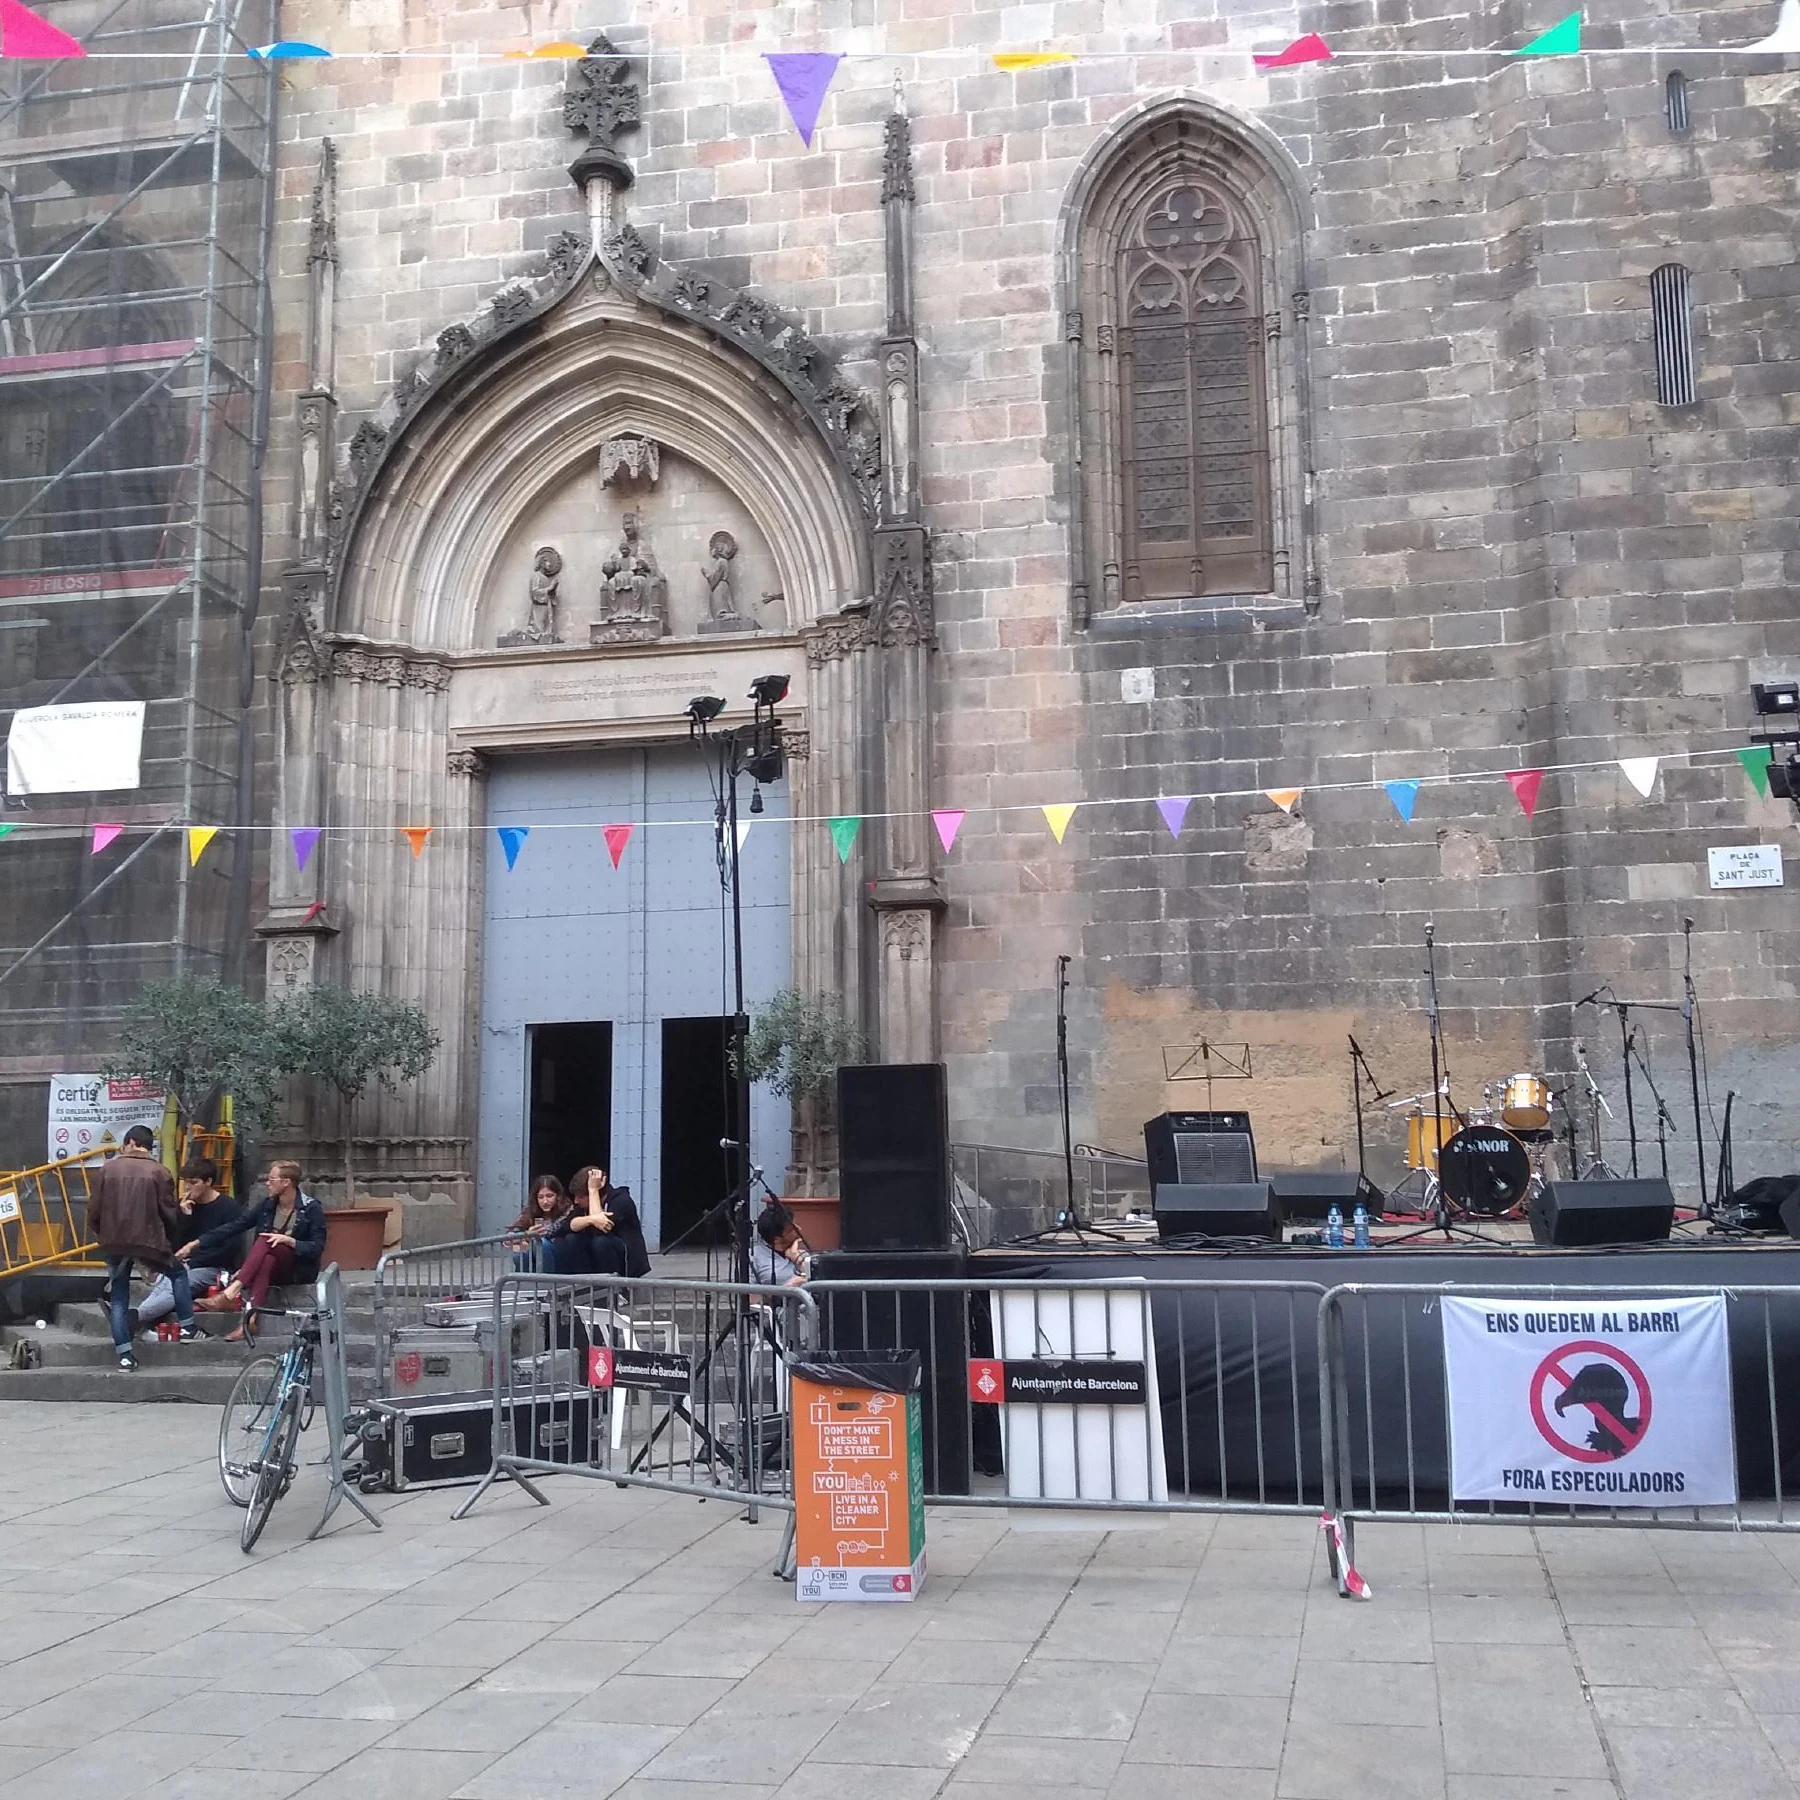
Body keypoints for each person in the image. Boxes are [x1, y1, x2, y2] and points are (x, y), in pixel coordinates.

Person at [86, 1125, 199, 1369]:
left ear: (130, 1142)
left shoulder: (107, 1169)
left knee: (119, 1296)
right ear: (148, 1146)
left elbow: (93, 1210)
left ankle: (125, 1356)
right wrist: (168, 1241)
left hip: (113, 1242)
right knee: (178, 1275)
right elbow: (168, 1213)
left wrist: (102, 1234)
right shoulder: (160, 1172)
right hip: (150, 1242)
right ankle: (188, 1327)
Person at [197, 1160, 326, 1342]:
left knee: (265, 1239)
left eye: (272, 1179)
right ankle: (249, 1321)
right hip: (270, 1265)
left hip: (297, 1269)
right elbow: (237, 1226)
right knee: (266, 1261)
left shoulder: (311, 1208)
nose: (267, 1183)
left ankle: (231, 1292)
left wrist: (290, 1241)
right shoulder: (268, 1205)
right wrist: (197, 1243)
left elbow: (317, 1247)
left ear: (286, 1182)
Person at [138, 1156, 245, 1333]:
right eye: (186, 1182)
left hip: (213, 1267)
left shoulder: (228, 1207)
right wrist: (184, 1217)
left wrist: (193, 1262)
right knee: (163, 1284)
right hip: (184, 1263)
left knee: (178, 1284)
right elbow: (175, 1244)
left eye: (194, 1183)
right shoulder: (184, 1206)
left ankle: (136, 1317)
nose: (188, 1187)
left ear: (208, 1181)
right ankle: (137, 1317)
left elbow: (229, 1249)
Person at [544, 1165, 650, 1279]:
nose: (576, 1201)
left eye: (581, 1197)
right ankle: (585, 1282)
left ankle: (614, 1286)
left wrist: (593, 1190)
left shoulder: (621, 1201)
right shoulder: (582, 1207)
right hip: (597, 1259)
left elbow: (601, 1228)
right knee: (572, 1238)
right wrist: (591, 1219)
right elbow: (567, 1226)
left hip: (624, 1260)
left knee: (601, 1242)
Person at [507, 1173, 571, 1268]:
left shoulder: (567, 1210)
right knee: (519, 1253)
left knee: (542, 1243)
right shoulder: (529, 1211)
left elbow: (552, 1231)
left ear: (558, 1196)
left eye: (549, 1196)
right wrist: (525, 1237)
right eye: (540, 1197)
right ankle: (525, 1277)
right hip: (534, 1257)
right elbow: (509, 1236)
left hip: (559, 1256)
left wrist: (530, 1237)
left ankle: (546, 1277)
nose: (545, 1201)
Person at [750, 1200, 811, 1288]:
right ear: (776, 1239)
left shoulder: (801, 1254)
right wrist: (787, 1289)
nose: (799, 1229)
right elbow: (749, 1294)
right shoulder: (753, 1257)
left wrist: (796, 1257)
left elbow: (819, 1280)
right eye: (792, 1230)